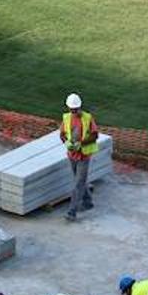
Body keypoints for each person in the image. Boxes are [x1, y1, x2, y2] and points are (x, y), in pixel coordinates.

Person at [59, 92, 99, 221]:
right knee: (80, 181)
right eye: (72, 109)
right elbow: (62, 134)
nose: (74, 111)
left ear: (79, 107)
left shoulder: (87, 118)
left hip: (84, 155)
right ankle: (88, 202)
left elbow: (94, 135)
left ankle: (72, 212)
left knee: (78, 183)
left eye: (75, 109)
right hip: (72, 154)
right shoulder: (66, 118)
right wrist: (67, 142)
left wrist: (81, 144)